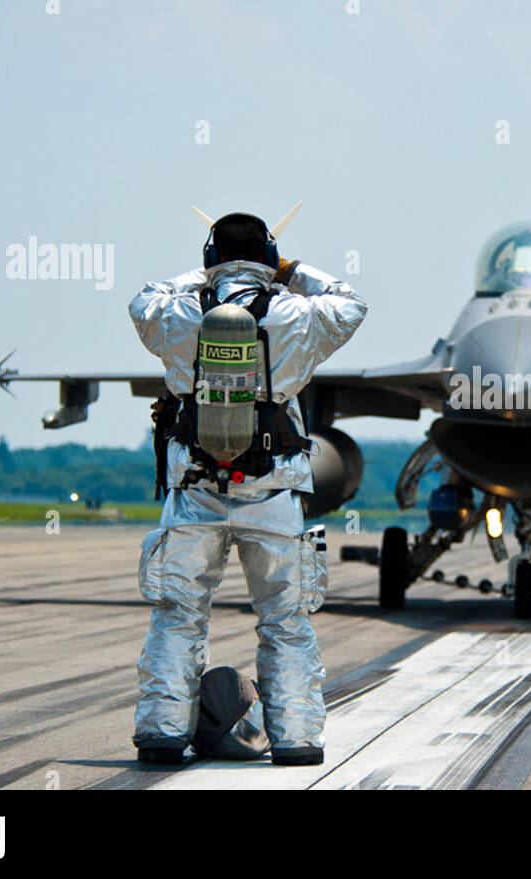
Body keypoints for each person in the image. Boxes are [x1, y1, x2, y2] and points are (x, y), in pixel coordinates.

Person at [128, 209, 366, 766]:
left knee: (178, 616)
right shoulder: (297, 313)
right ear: (269, 256)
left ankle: (163, 734)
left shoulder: (181, 310)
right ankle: (297, 739)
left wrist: (206, 275)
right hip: (275, 492)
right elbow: (351, 302)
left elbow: (143, 299)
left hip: (196, 491)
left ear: (212, 257)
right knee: (285, 622)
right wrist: (289, 270)